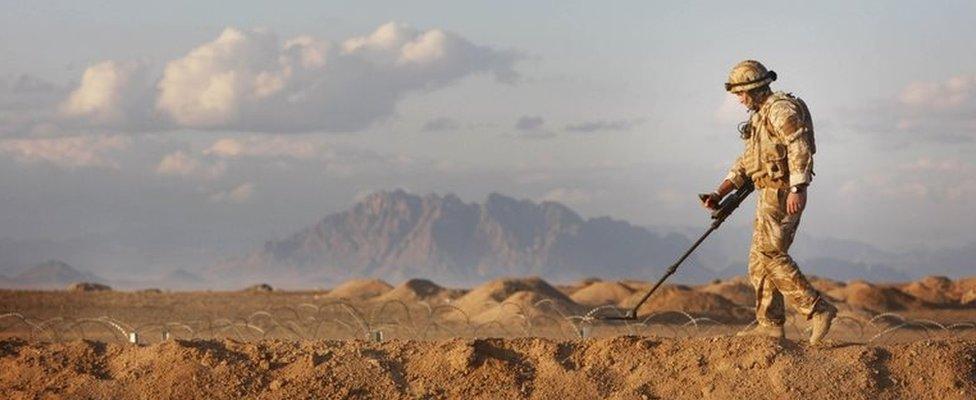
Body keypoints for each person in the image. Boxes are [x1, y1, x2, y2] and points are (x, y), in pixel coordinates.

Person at [702, 60, 837, 345]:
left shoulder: (780, 109)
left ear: (752, 88)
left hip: (784, 192)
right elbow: (747, 162)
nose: (738, 100)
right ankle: (770, 325)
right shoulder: (759, 117)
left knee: (772, 254)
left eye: (740, 93)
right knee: (758, 262)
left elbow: (798, 146)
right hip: (766, 193)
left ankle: (817, 309)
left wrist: (798, 187)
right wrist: (721, 192)